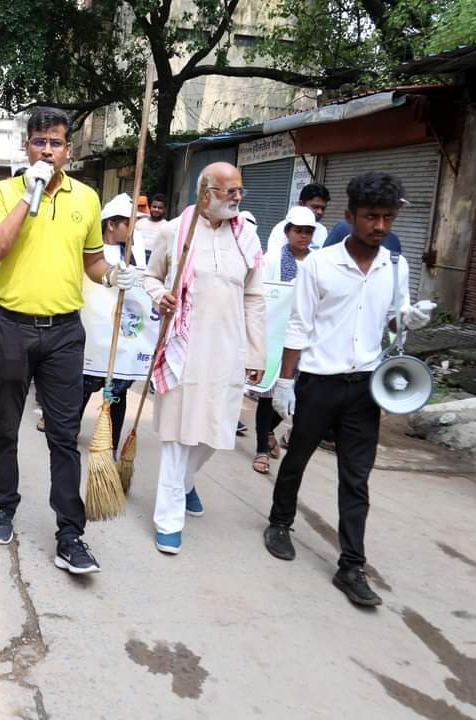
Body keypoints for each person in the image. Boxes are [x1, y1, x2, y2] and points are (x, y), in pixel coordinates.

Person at [0, 107, 140, 575]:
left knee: (65, 434)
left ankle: (70, 534)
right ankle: (4, 505)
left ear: (68, 150)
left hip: (65, 332)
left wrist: (113, 274)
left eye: (55, 143)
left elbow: (92, 261)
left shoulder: (87, 198)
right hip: (13, 325)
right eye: (39, 142)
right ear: (26, 146)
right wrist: (27, 196)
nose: (47, 150)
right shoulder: (3, 192)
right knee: (6, 424)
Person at [263, 172, 434, 607]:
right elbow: (299, 325)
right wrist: (285, 381)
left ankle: (352, 565)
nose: (380, 226)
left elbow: (393, 321)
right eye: (371, 216)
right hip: (319, 381)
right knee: (297, 458)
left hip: (365, 388)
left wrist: (408, 320)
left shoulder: (395, 267)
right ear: (350, 216)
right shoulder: (320, 264)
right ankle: (280, 522)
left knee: (356, 477)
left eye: (387, 218)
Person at [143, 162, 266, 555]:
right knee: (177, 433)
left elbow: (254, 296)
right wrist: (158, 294)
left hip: (228, 349)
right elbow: (150, 276)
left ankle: (186, 483)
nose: (237, 197)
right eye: (230, 191)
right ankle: (169, 518)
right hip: (183, 347)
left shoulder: (247, 236)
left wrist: (258, 352)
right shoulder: (173, 231)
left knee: (217, 430)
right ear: (206, 193)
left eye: (240, 190)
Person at [251, 206, 317, 475]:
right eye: (298, 231)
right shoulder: (272, 261)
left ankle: (269, 430)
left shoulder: (317, 262)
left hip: (305, 338)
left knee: (296, 392)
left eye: (308, 232)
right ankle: (261, 449)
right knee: (268, 394)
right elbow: (259, 296)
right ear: (288, 231)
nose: (303, 236)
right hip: (275, 334)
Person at [80, 193, 144, 454]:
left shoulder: (133, 253)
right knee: (82, 389)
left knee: (118, 392)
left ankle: (111, 445)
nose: (133, 229)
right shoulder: (92, 252)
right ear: (111, 224)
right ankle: (65, 431)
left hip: (120, 334)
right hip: (92, 333)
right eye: (128, 223)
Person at [264, 184, 330, 258]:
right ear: (301, 204)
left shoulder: (322, 230)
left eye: (323, 208)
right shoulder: (281, 229)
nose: (320, 212)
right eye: (315, 207)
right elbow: (275, 259)